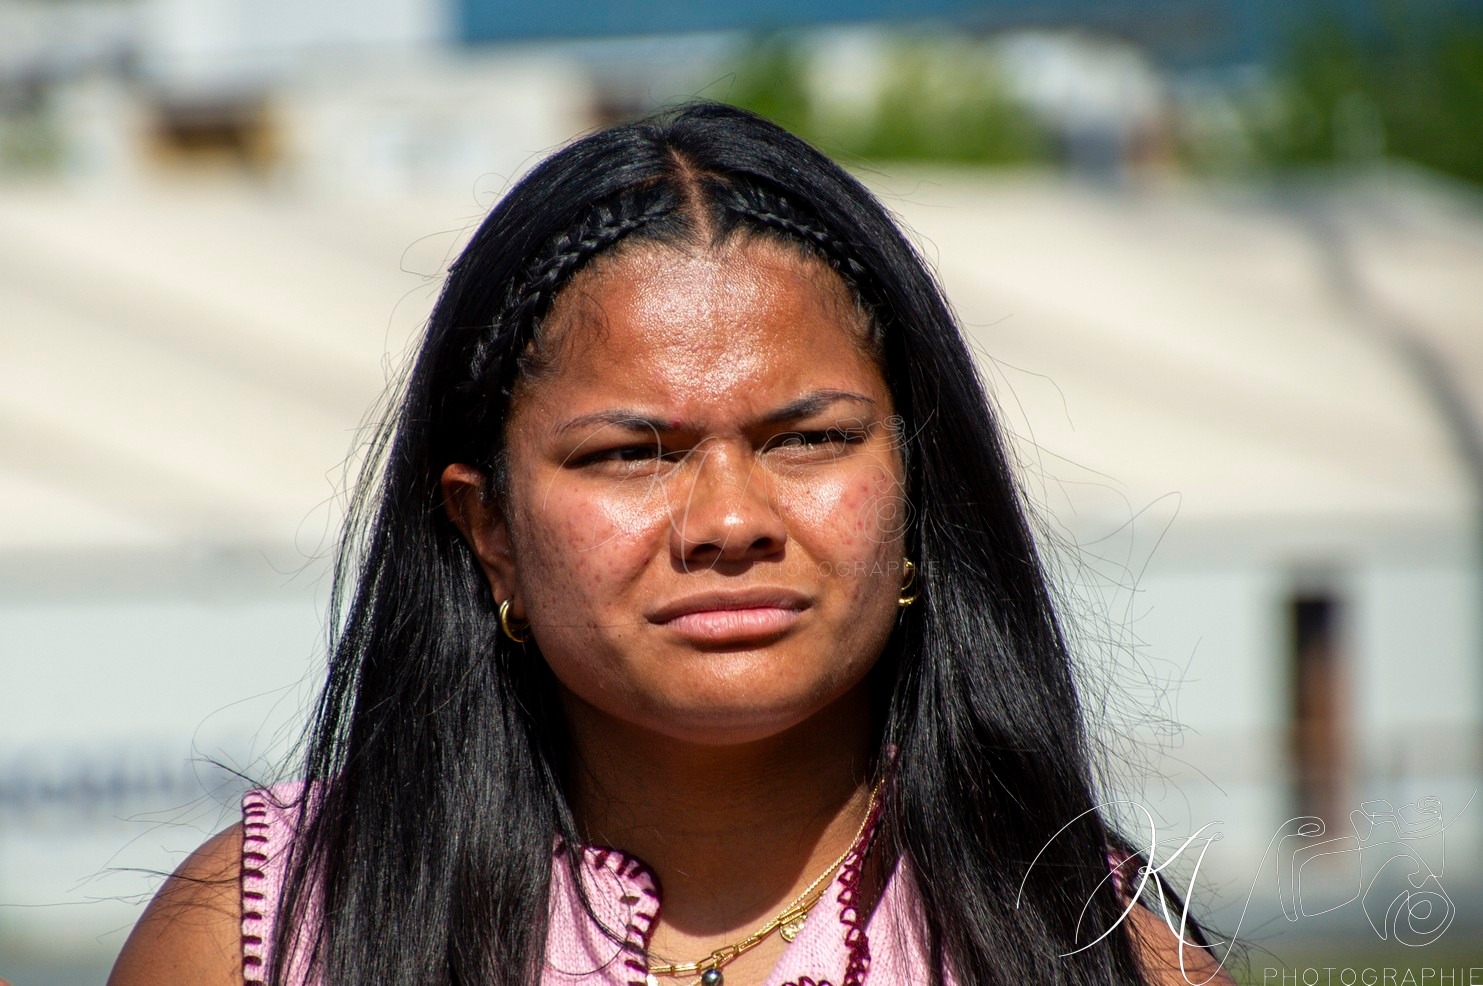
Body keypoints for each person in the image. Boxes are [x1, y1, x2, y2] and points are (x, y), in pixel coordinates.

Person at [108, 102, 1233, 986]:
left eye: (811, 439)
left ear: (916, 493)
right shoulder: (270, 934)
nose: (731, 521)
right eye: (630, 454)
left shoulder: (1098, 952)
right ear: (487, 527)